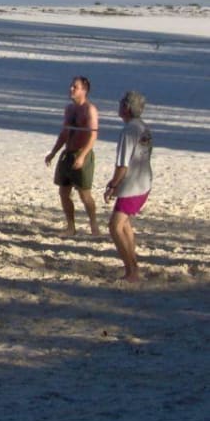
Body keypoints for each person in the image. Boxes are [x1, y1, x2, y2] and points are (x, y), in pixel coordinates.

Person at [104, 91, 153, 282]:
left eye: (121, 102)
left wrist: (113, 185)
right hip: (143, 182)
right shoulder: (143, 127)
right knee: (124, 224)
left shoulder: (129, 131)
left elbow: (122, 164)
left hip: (133, 185)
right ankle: (133, 266)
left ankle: (131, 270)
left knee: (115, 226)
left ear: (127, 107)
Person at [45, 76, 100, 236]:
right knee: (64, 192)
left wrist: (82, 156)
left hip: (82, 153)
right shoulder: (69, 109)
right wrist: (53, 152)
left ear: (84, 90)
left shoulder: (90, 109)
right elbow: (64, 133)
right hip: (67, 153)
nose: (71, 89)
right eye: (71, 86)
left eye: (75, 87)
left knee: (84, 194)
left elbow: (92, 136)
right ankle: (71, 226)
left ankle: (94, 225)